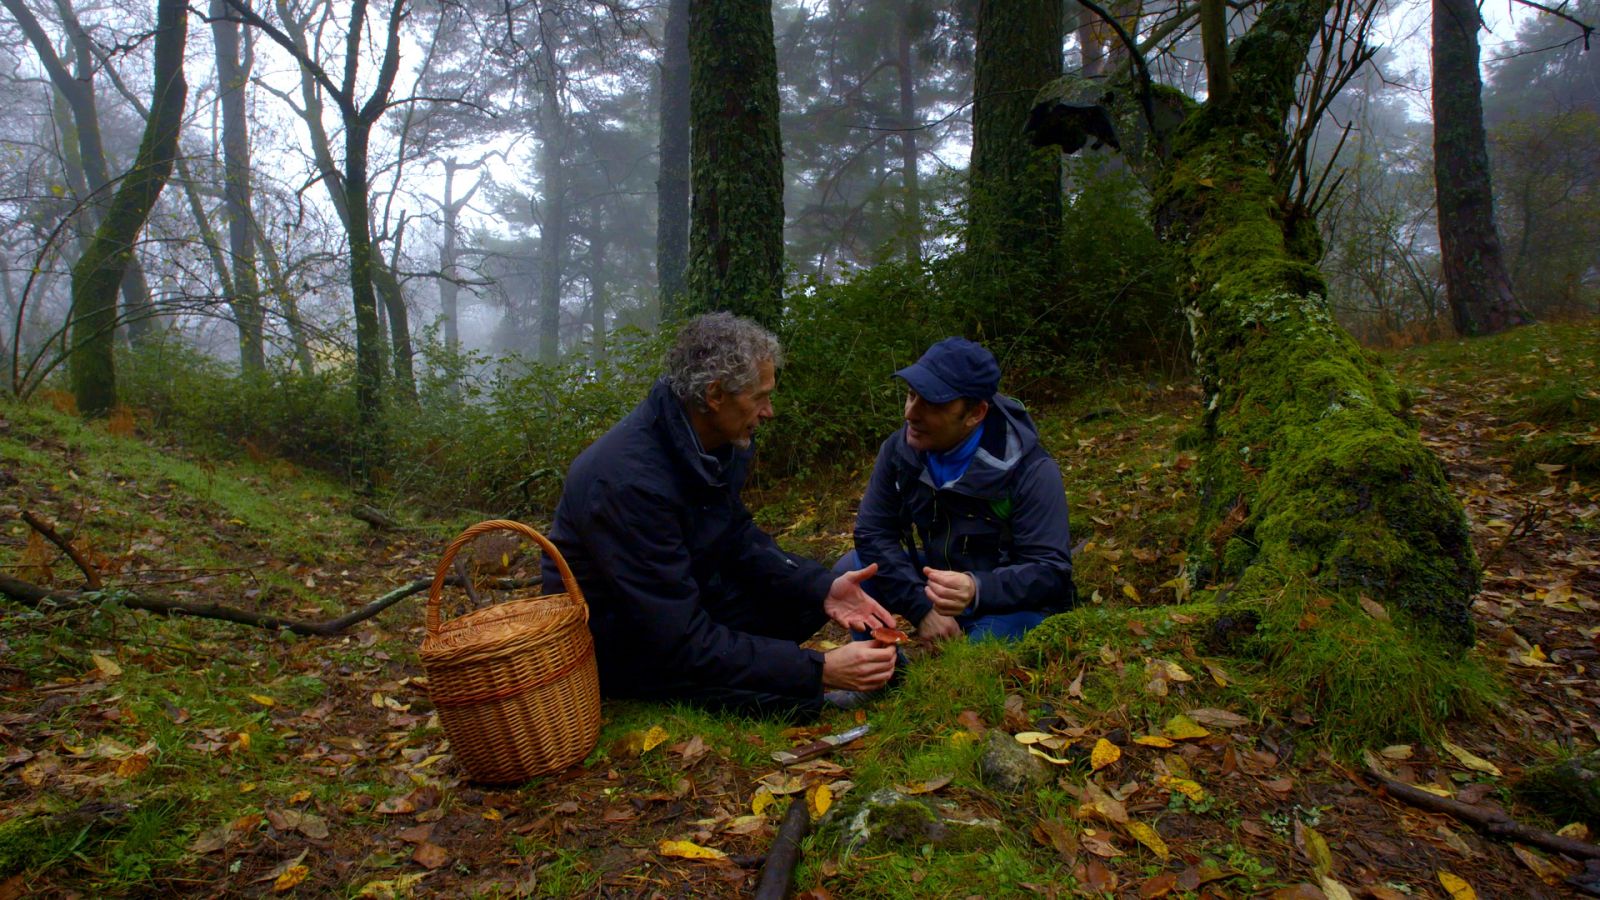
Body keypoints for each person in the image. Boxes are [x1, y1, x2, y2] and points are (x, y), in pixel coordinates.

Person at [541, 312, 899, 719]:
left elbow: (735, 534)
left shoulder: (715, 439)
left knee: (807, 597)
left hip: (683, 596)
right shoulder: (626, 480)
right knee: (790, 699)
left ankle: (773, 660)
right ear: (715, 395)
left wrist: (822, 586)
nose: (769, 411)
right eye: (760, 397)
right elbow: (675, 635)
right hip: (625, 637)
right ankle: (761, 686)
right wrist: (818, 670)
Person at [840, 337, 1077, 643]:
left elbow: (1051, 571)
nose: (911, 414)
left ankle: (971, 644)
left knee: (975, 657)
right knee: (854, 570)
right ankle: (882, 681)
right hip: (939, 582)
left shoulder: (1030, 469)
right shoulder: (900, 452)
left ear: (975, 413)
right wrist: (922, 607)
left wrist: (977, 589)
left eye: (932, 403)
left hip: (1009, 603)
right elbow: (872, 533)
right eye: (911, 395)